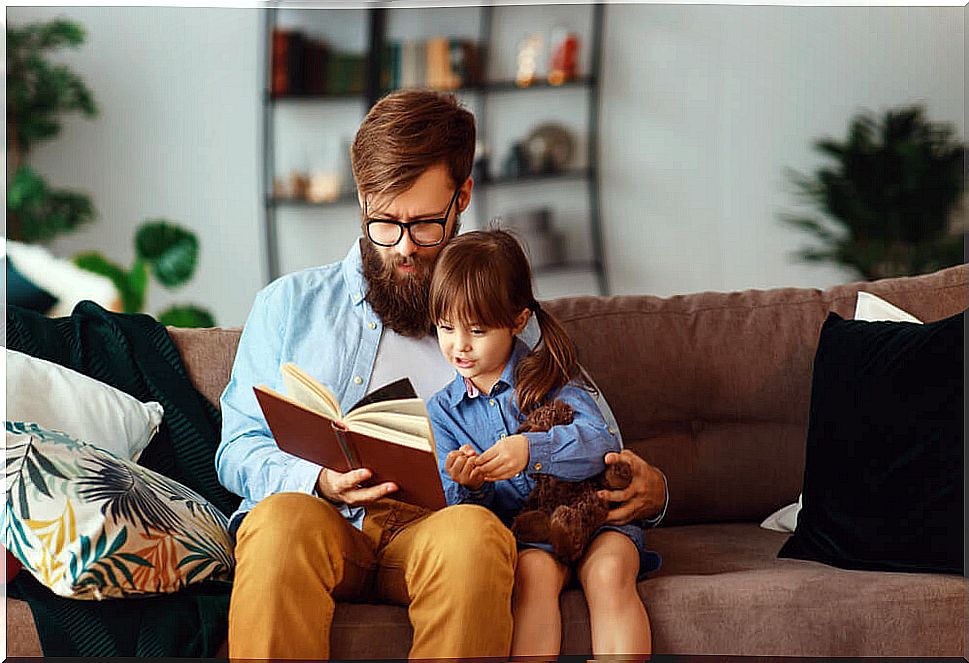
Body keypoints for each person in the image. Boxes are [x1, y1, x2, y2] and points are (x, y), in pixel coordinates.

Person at [216, 88, 668, 660]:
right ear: (361, 201)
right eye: (385, 222)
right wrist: (318, 481)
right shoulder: (288, 306)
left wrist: (655, 492)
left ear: (462, 198)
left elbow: (594, 443)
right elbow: (237, 447)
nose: (404, 248)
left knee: (477, 538)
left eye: (426, 224)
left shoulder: (500, 312)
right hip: (323, 519)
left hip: (439, 527)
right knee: (278, 526)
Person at [427, 229, 656, 659]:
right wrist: (471, 484)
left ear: (517, 320)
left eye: (476, 330)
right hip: (532, 535)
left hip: (597, 518)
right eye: (445, 328)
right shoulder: (444, 412)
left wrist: (532, 449)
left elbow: (601, 441)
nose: (459, 345)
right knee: (530, 579)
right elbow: (463, 509)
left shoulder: (549, 372)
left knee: (608, 574)